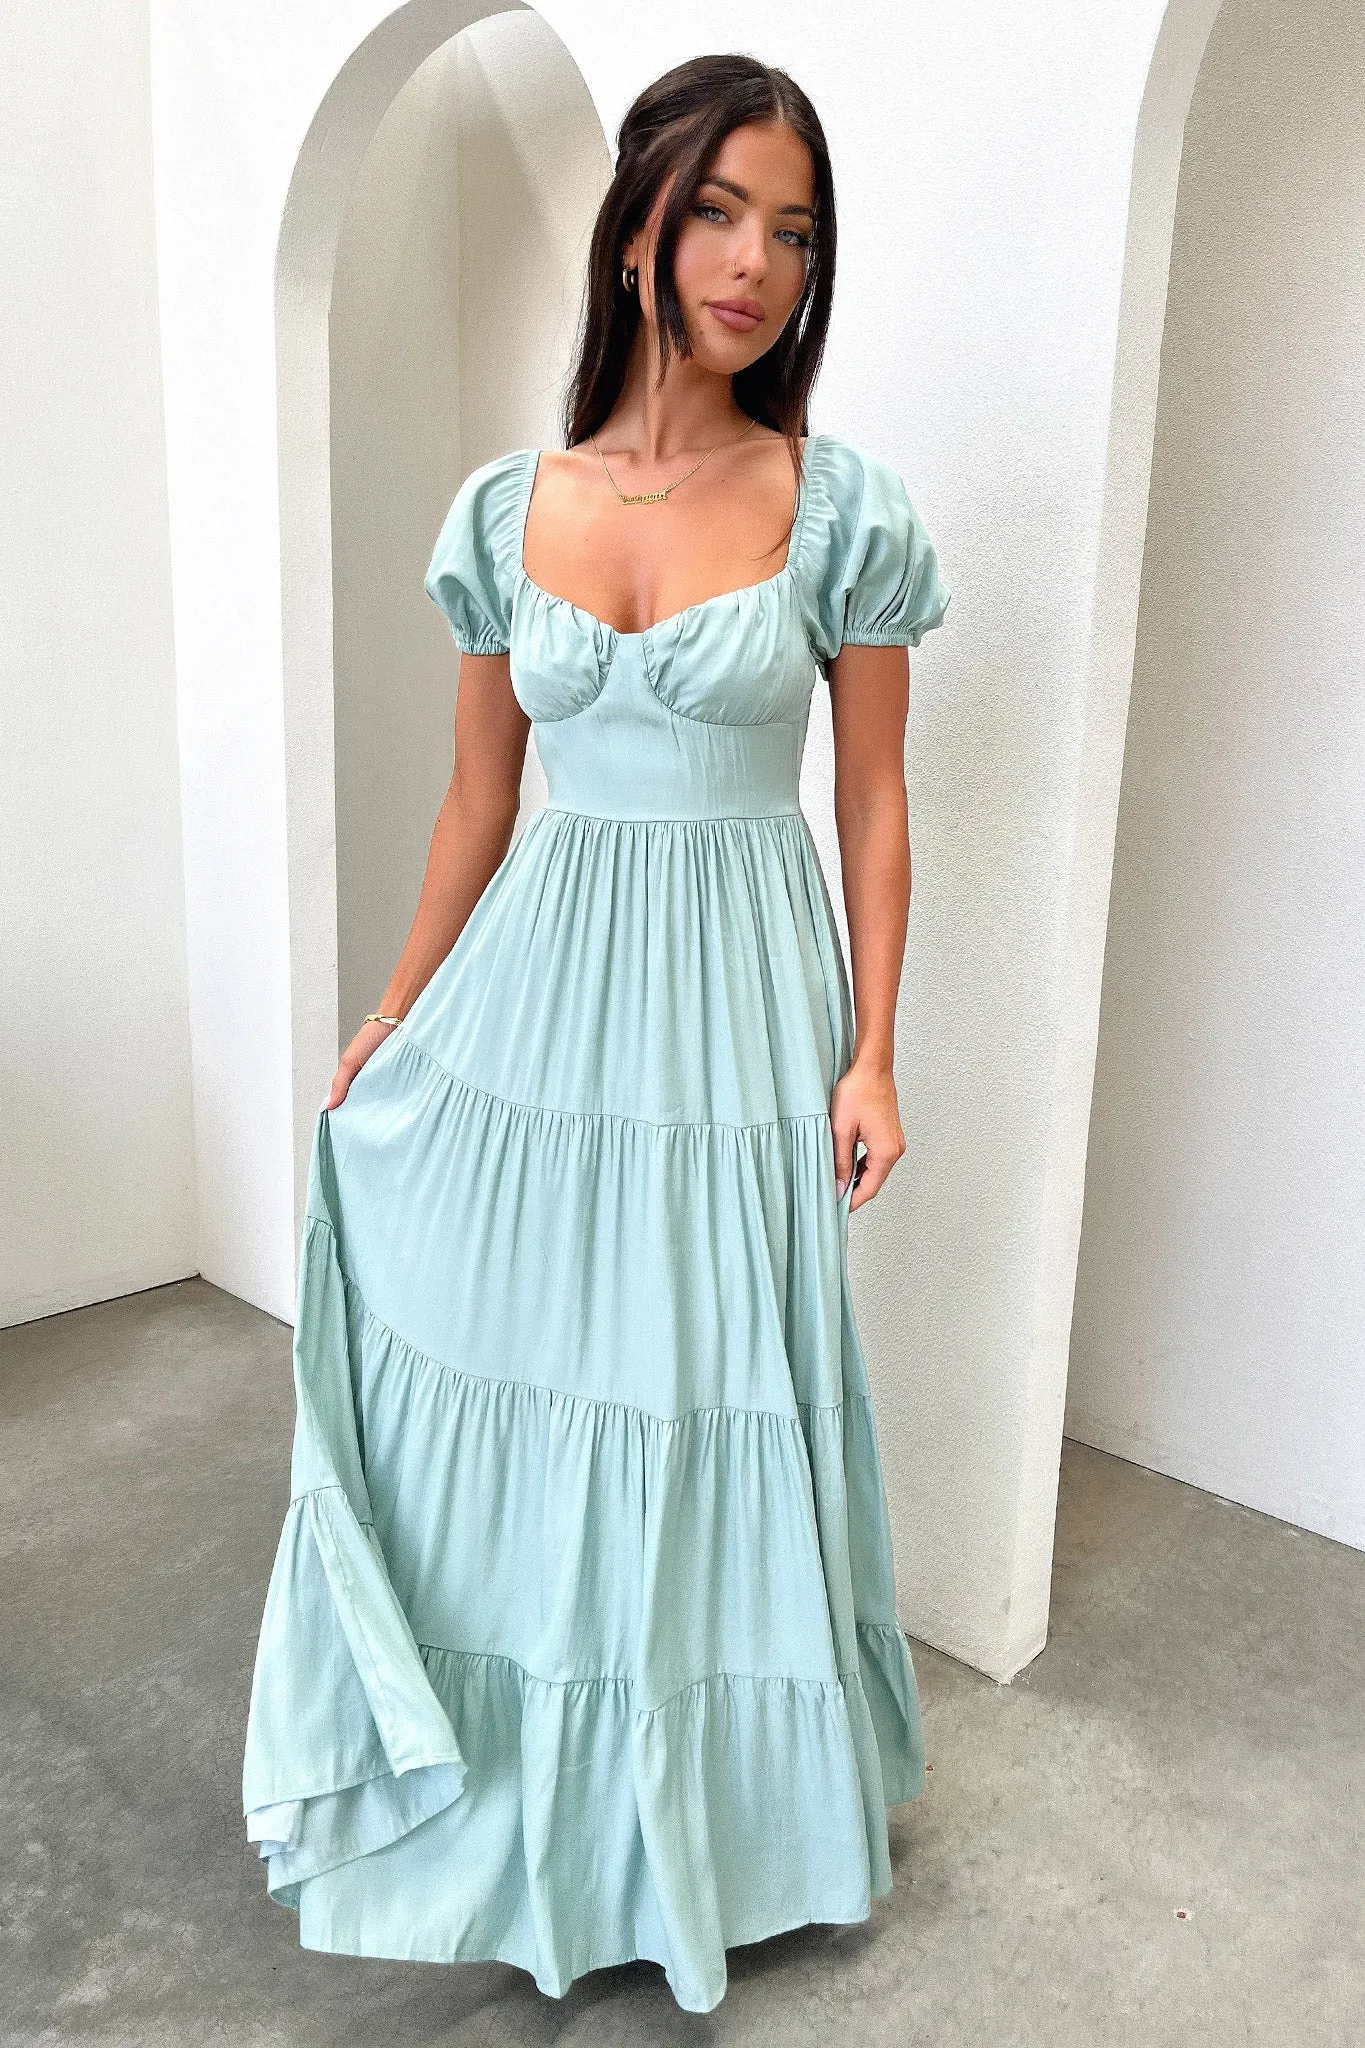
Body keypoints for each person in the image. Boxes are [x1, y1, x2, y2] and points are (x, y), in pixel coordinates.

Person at [241, 50, 950, 2016]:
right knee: (537, 1375)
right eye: (717, 209)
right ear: (637, 224)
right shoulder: (506, 510)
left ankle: (710, 1823)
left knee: (703, 1391)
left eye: (791, 230)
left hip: (735, 1008)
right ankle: (532, 1807)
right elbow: (481, 801)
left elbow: (873, 802)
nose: (753, 262)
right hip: (543, 1003)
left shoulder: (839, 509)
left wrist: (875, 1050)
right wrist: (394, 1011)